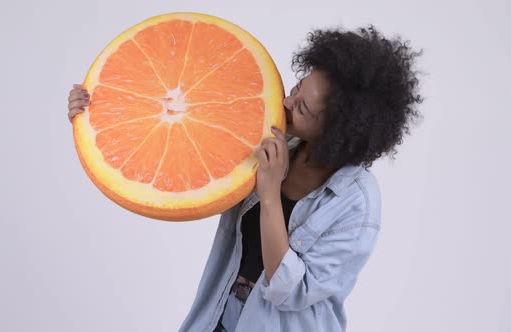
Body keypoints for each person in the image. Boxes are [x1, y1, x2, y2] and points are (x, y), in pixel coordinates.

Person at [67, 24, 423, 332]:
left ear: (340, 129)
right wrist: (100, 108)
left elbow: (290, 290)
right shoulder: (276, 141)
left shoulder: (357, 205)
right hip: (219, 317)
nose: (285, 102)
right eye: (297, 87)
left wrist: (269, 196)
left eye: (301, 107)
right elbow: (188, 133)